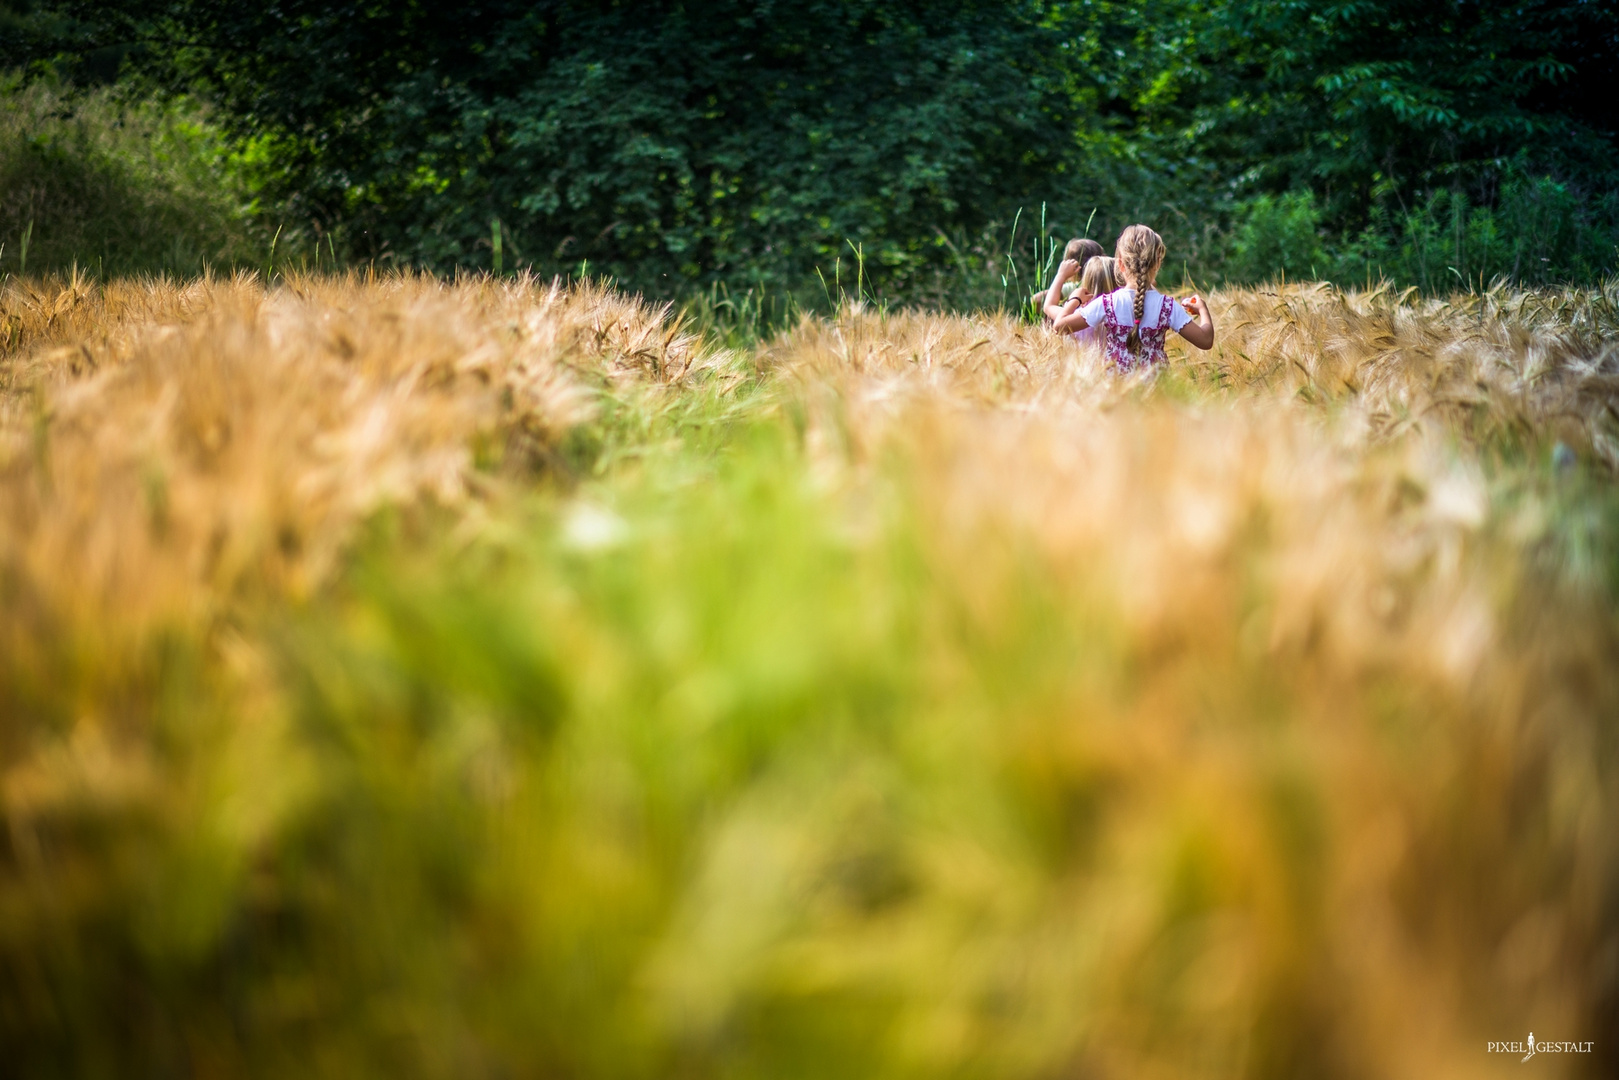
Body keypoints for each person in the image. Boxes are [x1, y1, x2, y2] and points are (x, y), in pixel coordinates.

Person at [1052, 224, 1214, 371]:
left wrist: (1075, 299)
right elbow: (1205, 341)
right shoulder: (1168, 307)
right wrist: (1202, 310)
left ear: (1120, 264)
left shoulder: (1106, 303)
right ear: (1157, 264)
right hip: (1158, 392)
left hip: (1116, 388)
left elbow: (1059, 327)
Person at [1051, 255, 1119, 347]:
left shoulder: (1076, 315)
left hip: (1081, 361)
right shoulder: (1124, 310)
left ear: (1086, 281)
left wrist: (1061, 276)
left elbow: (1049, 306)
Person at [1040, 238, 1105, 318]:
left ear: (1075, 267)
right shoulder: (1113, 298)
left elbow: (1045, 304)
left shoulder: (1077, 312)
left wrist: (1060, 275)